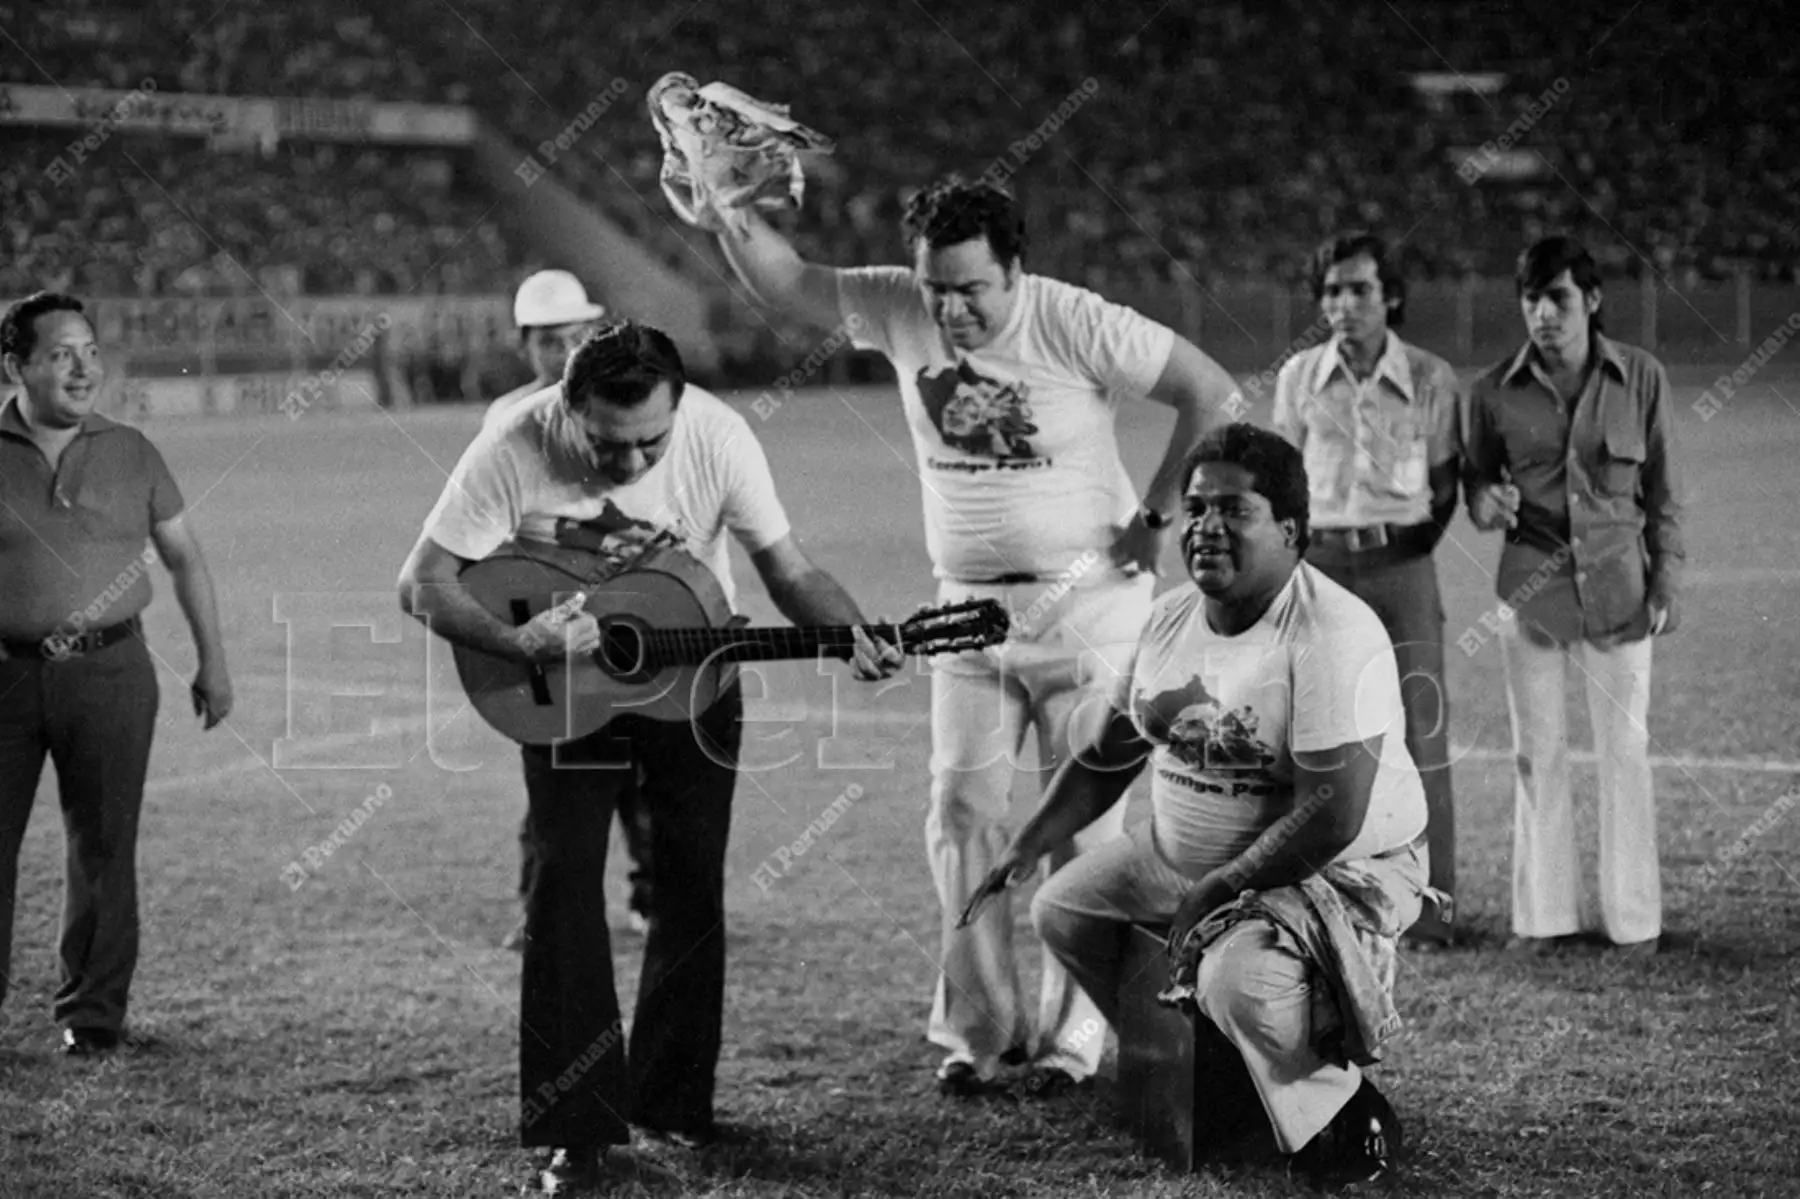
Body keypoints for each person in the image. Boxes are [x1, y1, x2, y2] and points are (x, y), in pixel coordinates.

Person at [709, 175, 1242, 1096]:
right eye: (936, 289)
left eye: (972, 289)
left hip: (1091, 607)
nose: (950, 308)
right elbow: (786, 281)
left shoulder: (1074, 320)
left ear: (1017, 272)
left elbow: (1213, 392)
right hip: (964, 615)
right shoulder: (898, 303)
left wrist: (1159, 512)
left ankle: (1076, 1039)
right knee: (960, 816)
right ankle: (981, 1031)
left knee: (1087, 834)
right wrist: (722, 202)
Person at [396, 320, 902, 1195]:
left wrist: (853, 625)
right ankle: (578, 1130)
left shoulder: (718, 434)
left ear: (678, 410)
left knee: (691, 882)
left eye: (650, 443)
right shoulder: (515, 441)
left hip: (693, 685)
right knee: (565, 883)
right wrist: (520, 639)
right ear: (566, 406)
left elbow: (786, 569)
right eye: (606, 444)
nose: (631, 465)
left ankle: (673, 1099)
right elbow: (422, 581)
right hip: (567, 691)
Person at [969, 423, 1429, 1189]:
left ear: (1291, 530)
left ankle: (1348, 1109)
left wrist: (1220, 890)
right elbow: (1114, 749)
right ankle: (1220, 1075)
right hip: (1185, 858)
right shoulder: (1170, 616)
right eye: (1195, 507)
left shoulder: (1333, 631)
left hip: (1328, 870)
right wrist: (1028, 840)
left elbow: (1332, 813)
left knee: (1235, 979)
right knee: (1064, 910)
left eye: (1233, 509)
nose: (1206, 526)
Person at [0, 291, 234, 1057]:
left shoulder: (132, 449)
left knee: (104, 845)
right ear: (16, 365)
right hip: (7, 673)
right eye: (61, 353)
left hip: (112, 671)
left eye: (91, 351)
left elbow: (184, 556)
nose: (82, 367)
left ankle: (92, 1012)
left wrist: (214, 659)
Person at [1462, 235, 1685, 956]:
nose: (1543, 313)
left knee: (1624, 750)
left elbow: (1665, 494)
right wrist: (1484, 502)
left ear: (1590, 300)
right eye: (1531, 299)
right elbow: (1477, 486)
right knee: (1538, 754)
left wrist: (1667, 579)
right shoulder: (1492, 391)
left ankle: (1634, 922)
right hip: (1531, 594)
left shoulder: (1642, 377)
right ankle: (1543, 917)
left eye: (1557, 297)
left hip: (1622, 591)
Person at [1271, 231, 1462, 949]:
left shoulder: (1431, 378)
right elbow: (1284, 478)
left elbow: (1445, 486)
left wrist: (1401, 545)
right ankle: (1314, 900)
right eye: (1331, 291)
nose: (1343, 304)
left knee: (1423, 726)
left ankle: (1435, 907)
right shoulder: (1298, 379)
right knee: (1314, 732)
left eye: (1358, 289)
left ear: (1391, 296)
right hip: (1318, 568)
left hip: (1402, 564)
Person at [479, 269, 648, 951]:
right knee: (551, 762)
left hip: (628, 610)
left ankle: (649, 896)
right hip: (548, 613)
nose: (564, 352)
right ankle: (540, 905)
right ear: (526, 344)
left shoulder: (622, 409)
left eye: (576, 338)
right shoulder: (507, 420)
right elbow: (494, 528)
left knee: (639, 760)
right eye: (551, 340)